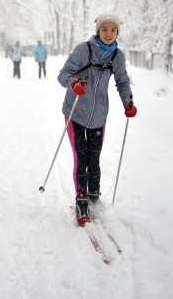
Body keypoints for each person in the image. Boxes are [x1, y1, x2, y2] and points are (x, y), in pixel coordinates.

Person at [57, 12, 137, 226]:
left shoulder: (117, 57)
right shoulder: (84, 50)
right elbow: (63, 74)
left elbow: (122, 81)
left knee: (94, 157)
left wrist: (128, 102)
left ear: (117, 32)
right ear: (98, 31)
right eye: (104, 29)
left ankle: (94, 193)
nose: (108, 34)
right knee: (80, 156)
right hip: (75, 111)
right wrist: (74, 83)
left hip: (99, 114)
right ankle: (81, 199)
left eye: (113, 30)